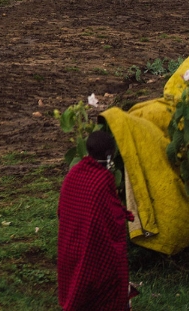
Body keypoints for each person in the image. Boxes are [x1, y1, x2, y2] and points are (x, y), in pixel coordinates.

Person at [57, 130, 130, 311]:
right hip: (92, 255)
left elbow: (62, 211)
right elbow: (114, 220)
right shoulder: (102, 179)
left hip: (70, 250)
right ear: (108, 155)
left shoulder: (74, 173)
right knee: (108, 280)